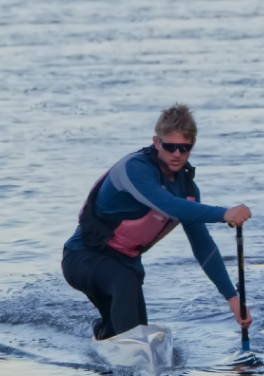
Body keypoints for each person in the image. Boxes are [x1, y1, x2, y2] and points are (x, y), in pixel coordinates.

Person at [62, 103, 253, 340]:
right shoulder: (134, 169)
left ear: (192, 145)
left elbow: (203, 247)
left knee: (121, 327)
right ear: (156, 142)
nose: (177, 154)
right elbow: (167, 205)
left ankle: (105, 344)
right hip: (84, 258)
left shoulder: (187, 190)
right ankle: (126, 353)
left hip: (126, 267)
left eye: (184, 148)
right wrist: (224, 214)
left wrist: (233, 298)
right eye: (170, 146)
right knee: (125, 284)